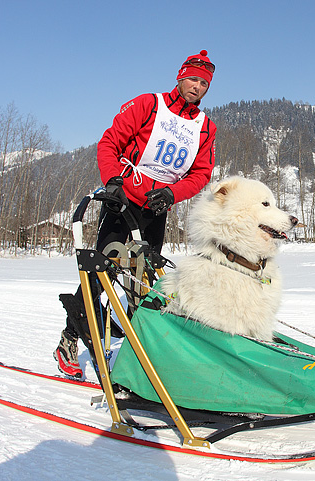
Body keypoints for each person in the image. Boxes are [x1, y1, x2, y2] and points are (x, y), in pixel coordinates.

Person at [54, 50, 217, 378]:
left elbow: (201, 174)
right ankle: (69, 341)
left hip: (156, 210)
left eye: (204, 83)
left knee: (143, 283)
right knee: (103, 272)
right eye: (193, 79)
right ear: (180, 76)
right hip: (122, 203)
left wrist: (172, 193)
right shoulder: (148, 105)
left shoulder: (205, 127)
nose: (197, 87)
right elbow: (109, 143)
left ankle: (137, 351)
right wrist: (113, 181)